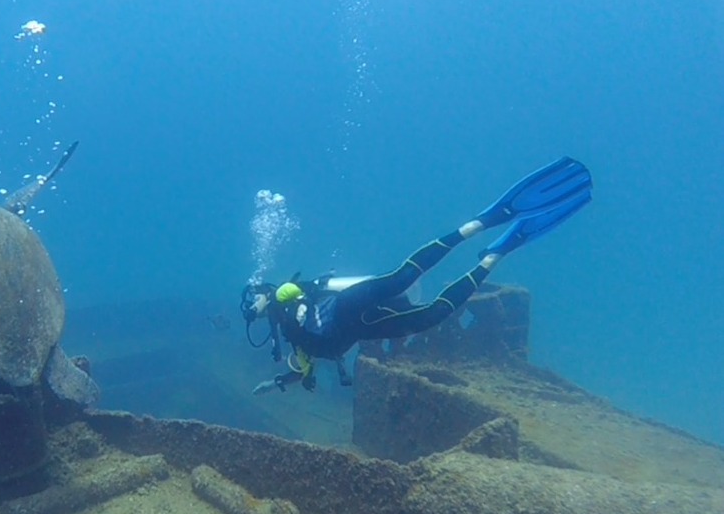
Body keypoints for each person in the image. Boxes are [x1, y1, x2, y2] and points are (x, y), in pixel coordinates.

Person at [241, 157, 592, 395]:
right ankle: (494, 256)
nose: (252, 306)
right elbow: (303, 368)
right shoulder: (290, 339)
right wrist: (277, 382)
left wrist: (283, 300)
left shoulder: (281, 297)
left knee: (404, 276)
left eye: (251, 298)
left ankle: (478, 225)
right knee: (431, 316)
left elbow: (290, 291)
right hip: (363, 328)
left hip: (347, 306)